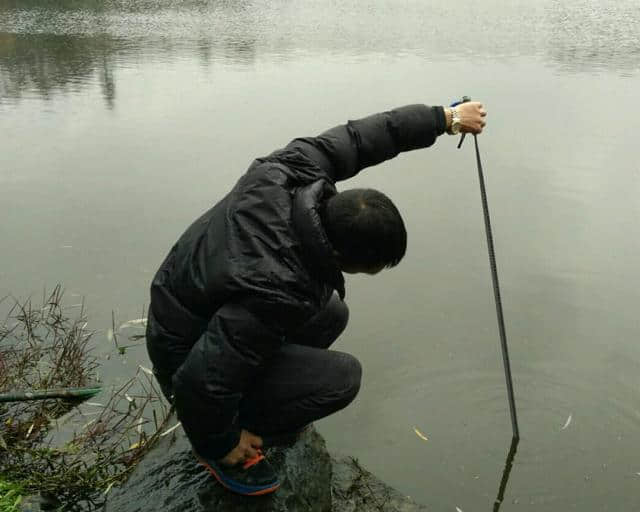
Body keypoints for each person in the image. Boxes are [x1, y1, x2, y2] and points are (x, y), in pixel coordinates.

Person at [145, 100, 487, 496]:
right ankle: (241, 432)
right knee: (342, 379)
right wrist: (221, 443)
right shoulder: (279, 288)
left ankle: (255, 389)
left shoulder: (292, 169)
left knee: (332, 312)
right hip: (183, 358)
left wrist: (445, 118)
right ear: (342, 258)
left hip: (182, 306)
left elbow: (367, 138)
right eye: (375, 268)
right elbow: (199, 381)